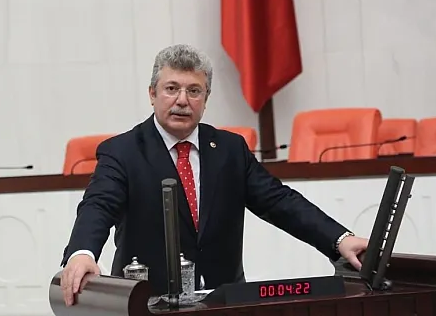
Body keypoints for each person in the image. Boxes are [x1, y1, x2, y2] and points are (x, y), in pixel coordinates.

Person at [60, 44, 368, 305]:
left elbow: (280, 201)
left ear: (206, 100)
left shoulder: (229, 149)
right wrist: (82, 253)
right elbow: (98, 205)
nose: (183, 100)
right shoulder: (123, 152)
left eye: (194, 91)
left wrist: (339, 239)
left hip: (224, 302)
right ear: (152, 94)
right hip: (150, 304)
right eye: (172, 89)